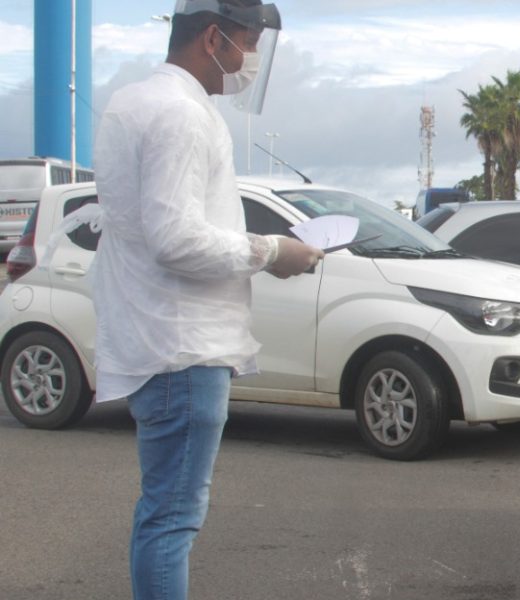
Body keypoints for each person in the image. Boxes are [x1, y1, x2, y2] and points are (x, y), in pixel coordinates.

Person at [91, 2, 322, 599]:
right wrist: (274, 251)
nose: (251, 60)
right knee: (172, 519)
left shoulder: (131, 103)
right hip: (183, 348)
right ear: (213, 37)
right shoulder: (182, 115)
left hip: (152, 338)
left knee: (162, 512)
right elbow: (177, 240)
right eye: (249, 42)